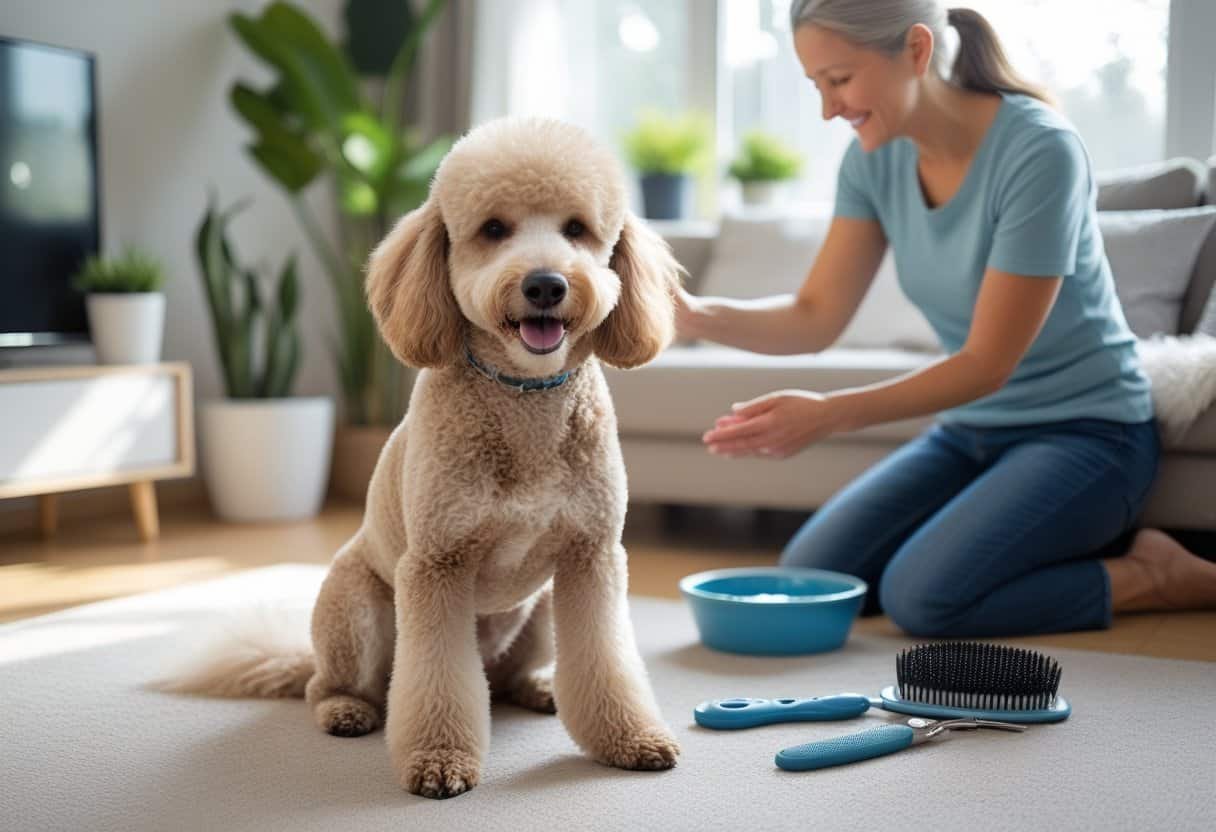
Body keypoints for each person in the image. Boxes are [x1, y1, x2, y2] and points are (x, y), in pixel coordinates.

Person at [675, 0, 1216, 637]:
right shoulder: (872, 160)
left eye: (840, 80)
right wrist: (691, 314)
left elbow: (988, 364)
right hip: (969, 433)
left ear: (917, 51)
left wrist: (827, 413)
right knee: (816, 573)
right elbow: (814, 316)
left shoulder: (1040, 151)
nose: (829, 108)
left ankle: (1156, 573)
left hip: (1089, 434)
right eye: (816, 86)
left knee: (924, 600)